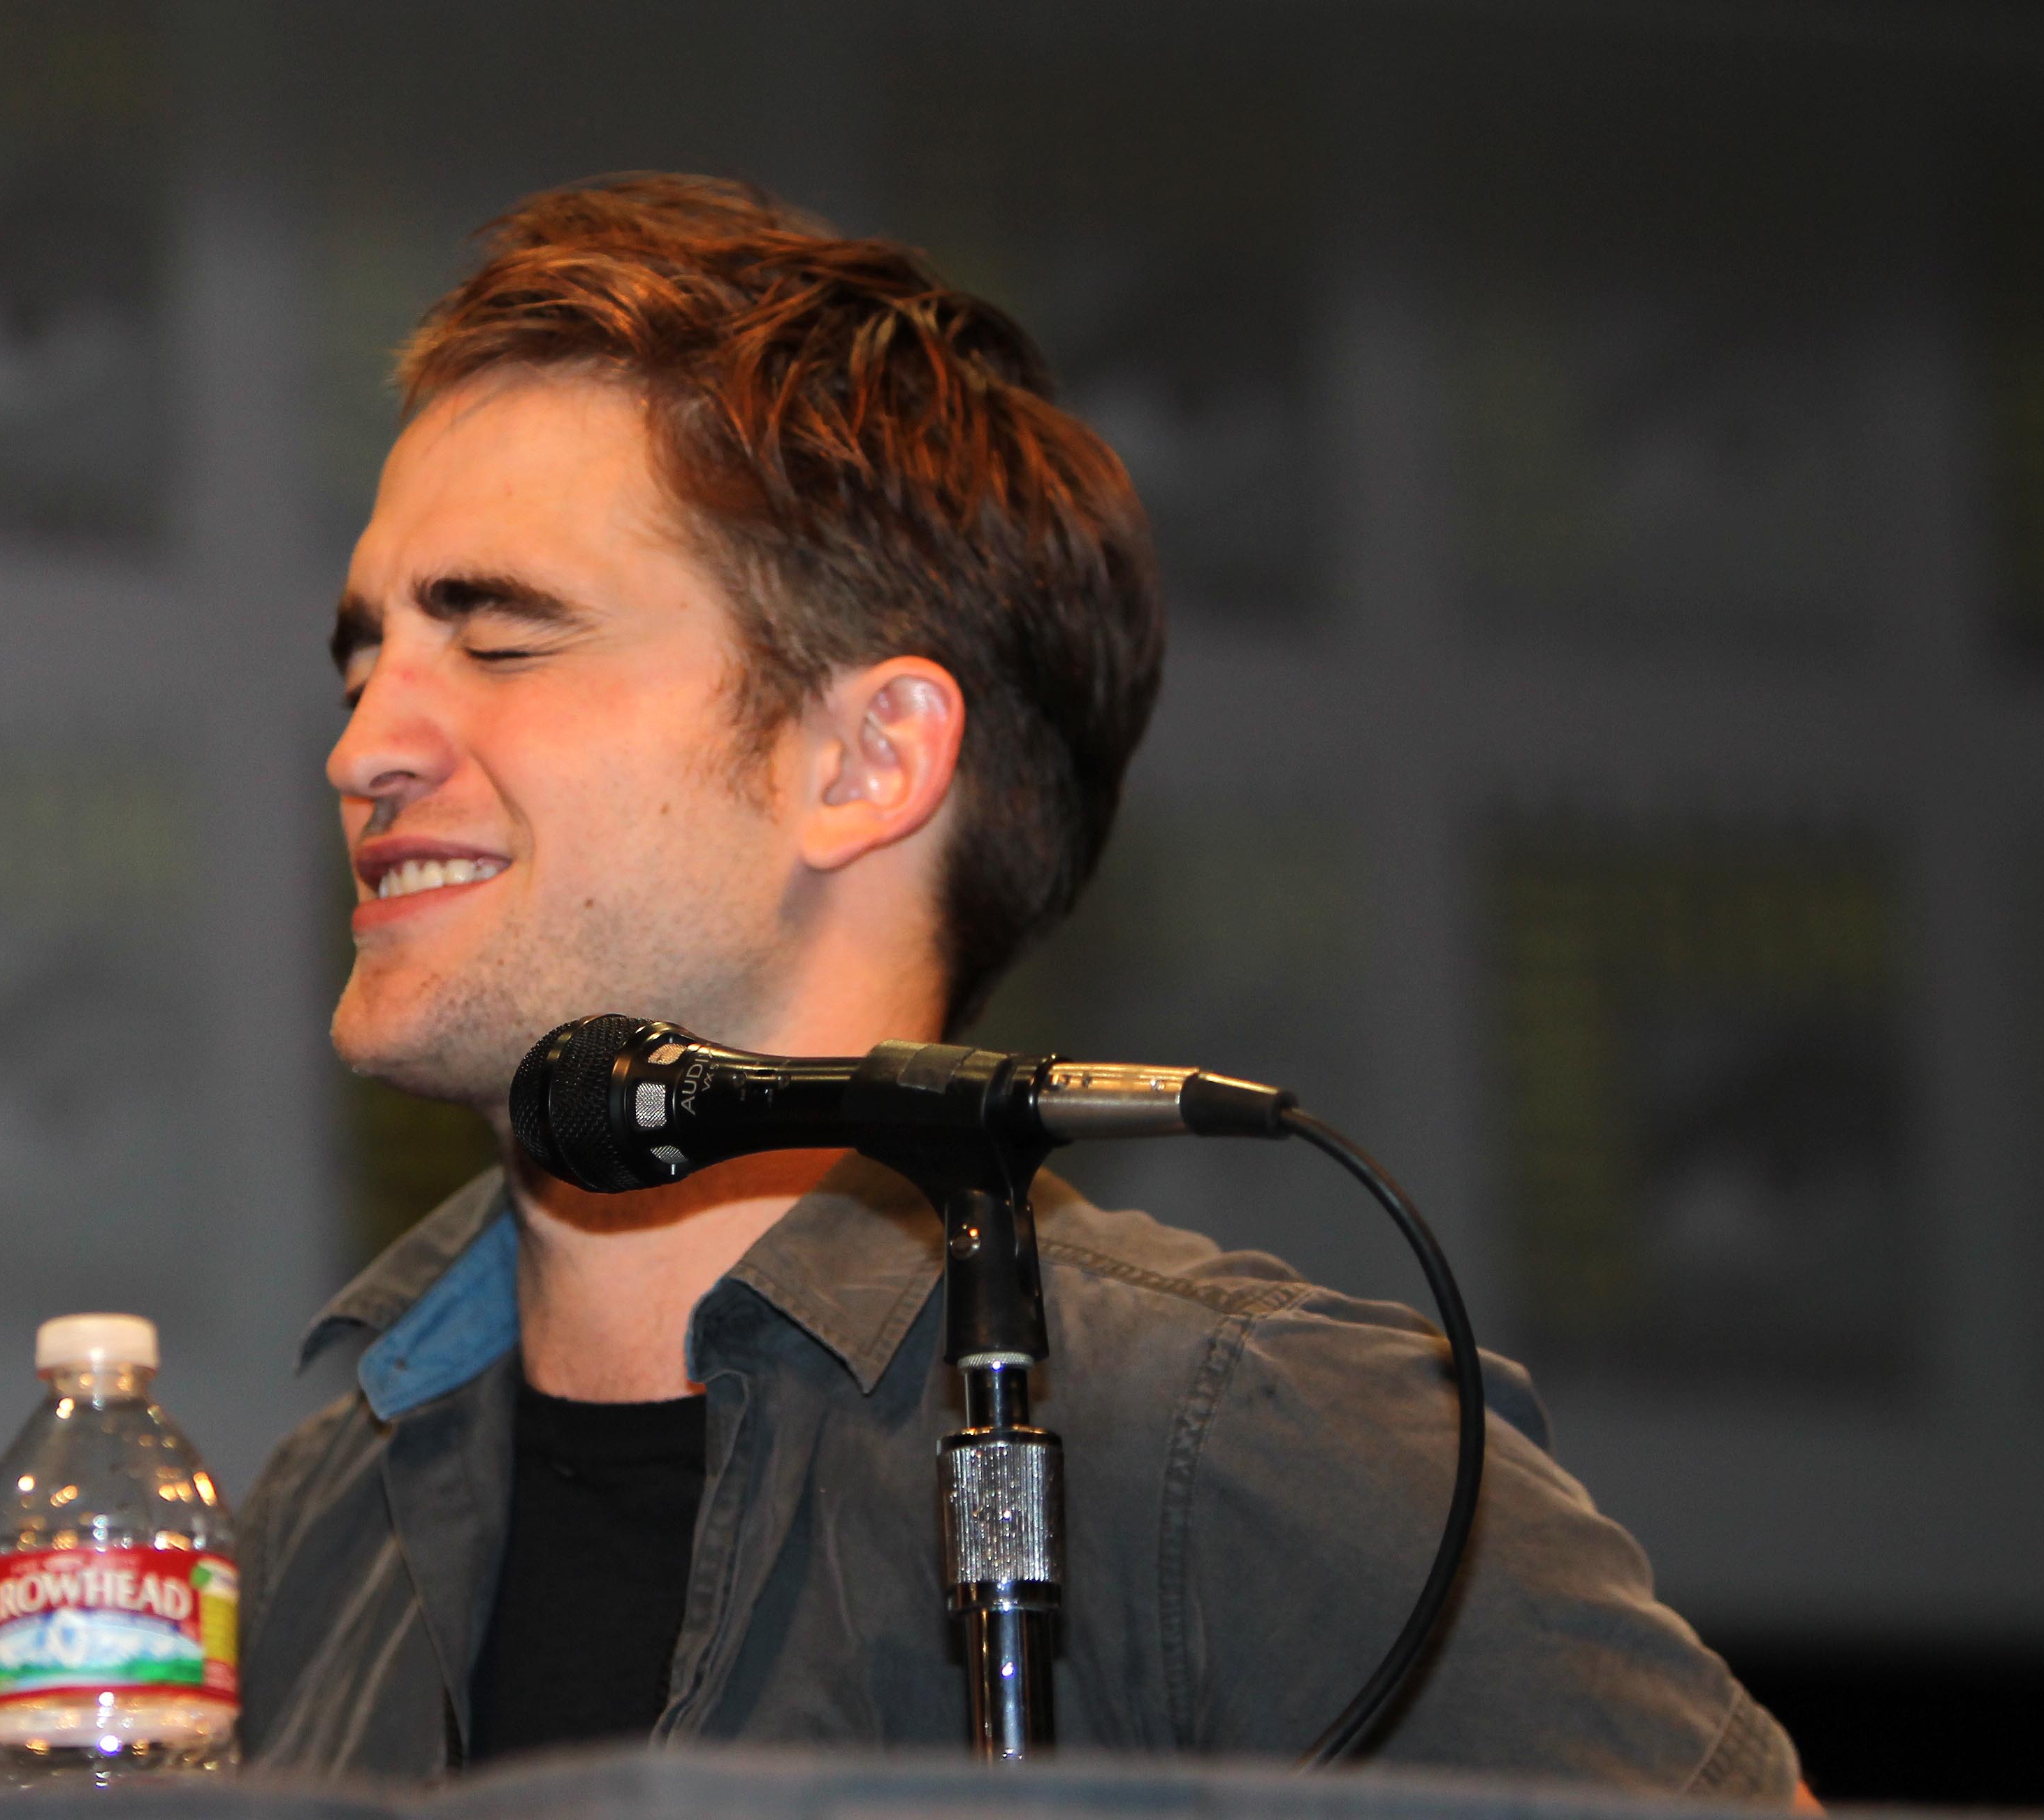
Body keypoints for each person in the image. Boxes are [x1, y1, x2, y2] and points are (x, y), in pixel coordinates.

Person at [237, 174, 1804, 1800]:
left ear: (866, 760)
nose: (364, 748)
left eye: (499, 640)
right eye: (363, 664)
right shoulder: (309, 1533)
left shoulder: (1229, 1444)